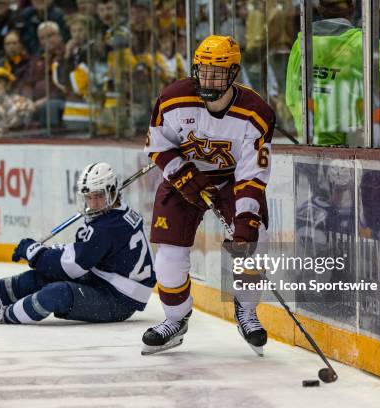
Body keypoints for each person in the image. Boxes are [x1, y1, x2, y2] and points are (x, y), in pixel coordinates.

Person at [143, 35, 275, 355]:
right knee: (168, 258)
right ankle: (175, 319)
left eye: (217, 73)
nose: (208, 79)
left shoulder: (256, 113)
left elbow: (251, 175)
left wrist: (245, 220)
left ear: (233, 74)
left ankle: (246, 311)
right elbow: (156, 145)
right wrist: (179, 172)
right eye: (203, 70)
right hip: (184, 178)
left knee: (255, 243)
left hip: (231, 182)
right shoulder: (173, 98)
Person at [0, 162, 156, 325]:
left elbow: (72, 266)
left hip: (120, 300)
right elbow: (79, 254)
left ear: (113, 191)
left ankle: (2, 315)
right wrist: (41, 253)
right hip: (105, 279)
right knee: (36, 278)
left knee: (57, 293)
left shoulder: (108, 227)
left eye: (98, 196)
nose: (93, 203)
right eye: (89, 196)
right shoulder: (112, 215)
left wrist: (34, 253)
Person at [285, 0, 380, 146]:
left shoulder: (301, 44)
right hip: (350, 150)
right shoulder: (362, 43)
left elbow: (291, 96)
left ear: (319, 9)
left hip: (308, 146)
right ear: (352, 9)